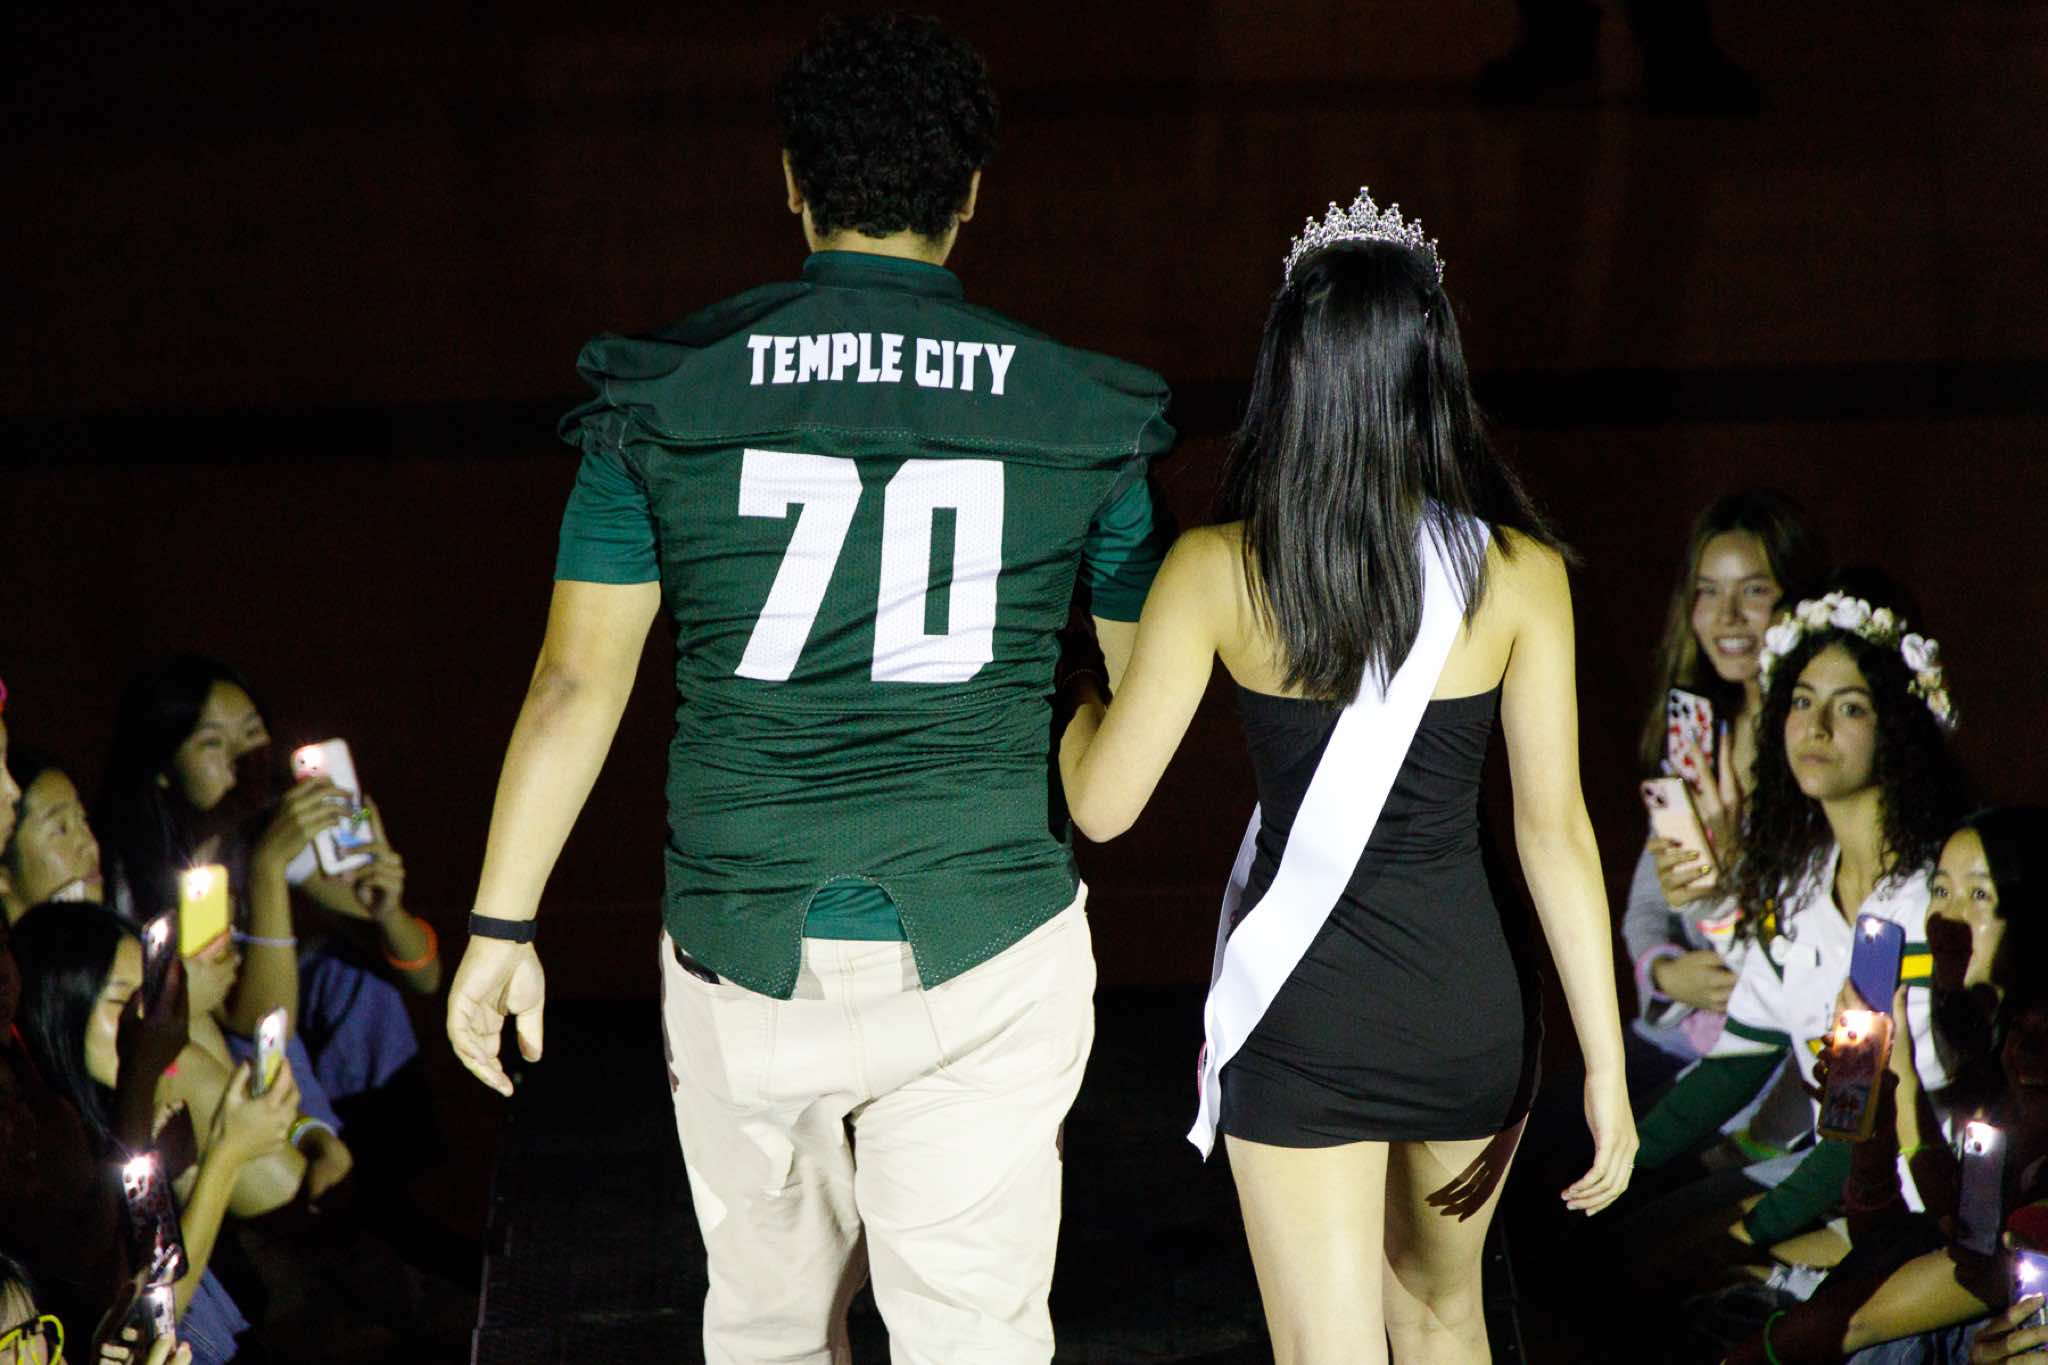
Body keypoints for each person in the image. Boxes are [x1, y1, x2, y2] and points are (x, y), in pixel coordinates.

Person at [445, 14, 1177, 1365]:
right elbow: (1134, 732)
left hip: (744, 944)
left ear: (791, 180)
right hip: (985, 934)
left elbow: (572, 684)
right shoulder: (1084, 414)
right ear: (968, 192)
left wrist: (501, 923)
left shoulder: (668, 393)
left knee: (770, 1332)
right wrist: (1052, 681)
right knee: (974, 1340)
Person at [1056, 189, 1634, 1365]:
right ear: (1432, 374)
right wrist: (1606, 1069)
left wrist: (1066, 687)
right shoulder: (1517, 574)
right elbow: (1554, 836)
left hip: (1305, 1018)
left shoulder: (1215, 571)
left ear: (1289, 374)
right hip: (1465, 1014)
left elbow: (1101, 808)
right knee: (1442, 1322)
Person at [1625, 589, 1971, 1329]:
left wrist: (1744, 1235)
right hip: (1834, 1170)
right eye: (1803, 701)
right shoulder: (1802, 882)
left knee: (1684, 1284)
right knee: (1626, 1239)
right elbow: (1737, 1061)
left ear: (1898, 727)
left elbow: (1859, 1128)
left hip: (1918, 1198)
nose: (1815, 726)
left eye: (1850, 707)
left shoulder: (1925, 904)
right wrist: (1618, 1160)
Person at [1719, 806, 2048, 1364]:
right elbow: (1939, 1231)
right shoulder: (1991, 1041)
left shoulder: (2031, 1049)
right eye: (1940, 892)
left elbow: (1959, 1277)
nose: (1948, 919)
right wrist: (1881, 1103)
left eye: (1979, 895)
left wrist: (1766, 1350)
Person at [9, 902, 298, 1363]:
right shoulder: (53, 1154)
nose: (147, 1019)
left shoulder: (133, 1110)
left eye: (150, 993)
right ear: (60, 1012)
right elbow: (145, 1309)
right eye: (121, 1001)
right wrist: (226, 1155)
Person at [1626, 491, 1824, 1091]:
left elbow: (1806, 948)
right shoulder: (1696, 734)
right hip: (1680, 1033)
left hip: (1774, 1061)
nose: (1727, 616)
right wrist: (1666, 973)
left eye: (1754, 591)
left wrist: (1726, 884)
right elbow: (1648, 905)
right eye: (1708, 592)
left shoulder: (1818, 747)